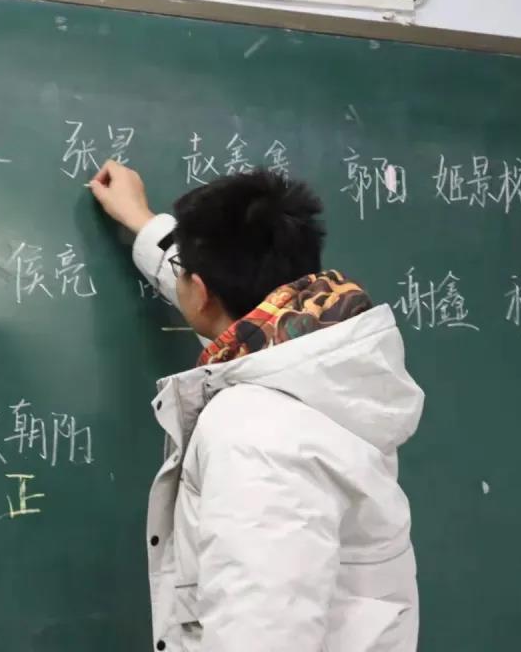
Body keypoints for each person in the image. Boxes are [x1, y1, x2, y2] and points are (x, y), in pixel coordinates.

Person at [89, 160, 424, 652]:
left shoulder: (252, 436)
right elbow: (222, 304)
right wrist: (142, 222)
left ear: (201, 292)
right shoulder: (316, 353)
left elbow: (262, 632)